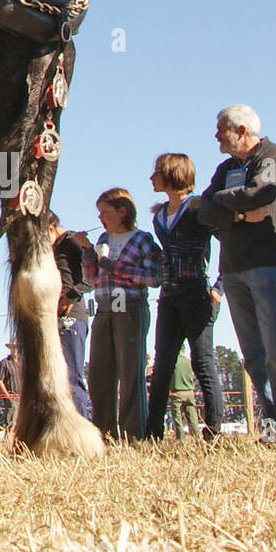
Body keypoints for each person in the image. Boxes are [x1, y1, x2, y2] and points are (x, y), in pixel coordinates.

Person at [196, 105, 276, 429]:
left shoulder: (271, 157)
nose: (216, 135)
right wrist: (241, 213)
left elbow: (263, 191)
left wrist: (222, 200)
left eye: (221, 128)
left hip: (268, 266)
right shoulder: (225, 167)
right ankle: (272, 423)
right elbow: (203, 211)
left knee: (275, 350)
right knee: (253, 355)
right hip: (231, 269)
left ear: (241, 130)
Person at [144, 152, 223, 441]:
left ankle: (213, 432)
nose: (151, 178)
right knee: (162, 364)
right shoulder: (159, 216)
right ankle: (152, 434)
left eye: (156, 172)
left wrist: (219, 287)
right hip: (168, 296)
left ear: (171, 174)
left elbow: (228, 240)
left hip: (196, 295)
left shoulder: (200, 208)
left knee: (203, 363)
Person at [77, 187, 162, 441]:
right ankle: (104, 432)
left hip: (131, 307)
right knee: (99, 373)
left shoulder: (142, 239)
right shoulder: (103, 239)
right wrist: (88, 253)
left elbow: (153, 277)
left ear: (122, 212)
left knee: (130, 373)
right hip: (104, 307)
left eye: (105, 212)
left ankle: (133, 434)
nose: (100, 218)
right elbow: (91, 280)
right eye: (99, 213)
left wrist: (114, 267)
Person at [46, 210, 93, 419]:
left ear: (50, 229)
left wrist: (70, 296)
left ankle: (82, 421)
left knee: (72, 375)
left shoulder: (72, 242)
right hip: (56, 316)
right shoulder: (55, 248)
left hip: (72, 317)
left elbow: (92, 277)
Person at [167, 345, 200, 438]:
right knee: (193, 419)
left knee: (178, 419)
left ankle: (180, 439)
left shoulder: (173, 361)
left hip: (177, 393)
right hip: (190, 393)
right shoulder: (189, 362)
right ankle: (197, 437)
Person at [0, 339, 22, 437]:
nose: (15, 350)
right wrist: (7, 395)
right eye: (13, 347)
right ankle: (9, 445)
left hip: (22, 398)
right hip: (12, 397)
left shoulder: (22, 363)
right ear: (10, 349)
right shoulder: (4, 363)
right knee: (12, 424)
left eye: (17, 347)